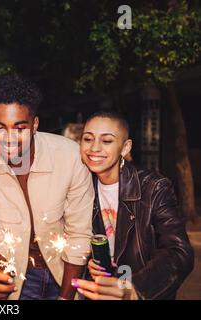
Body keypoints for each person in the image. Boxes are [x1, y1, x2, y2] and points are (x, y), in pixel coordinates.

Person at [0, 75, 94, 300]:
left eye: (19, 128)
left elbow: (79, 234)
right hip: (17, 281)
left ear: (34, 125)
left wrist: (66, 298)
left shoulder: (69, 157)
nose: (9, 138)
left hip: (65, 273)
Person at [72, 110, 194, 300]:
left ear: (125, 147)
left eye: (106, 141)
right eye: (88, 139)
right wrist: (88, 261)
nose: (94, 148)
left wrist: (135, 287)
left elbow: (178, 252)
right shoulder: (81, 186)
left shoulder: (153, 187)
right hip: (99, 292)